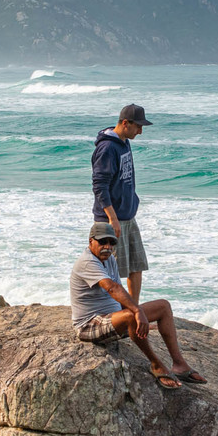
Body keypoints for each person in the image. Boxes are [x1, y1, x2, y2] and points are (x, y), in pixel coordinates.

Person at [70, 222, 207, 390]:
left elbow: (119, 295)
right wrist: (136, 311)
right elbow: (113, 288)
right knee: (131, 316)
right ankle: (156, 364)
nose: (108, 246)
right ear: (91, 241)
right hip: (90, 324)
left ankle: (179, 364)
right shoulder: (87, 262)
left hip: (112, 318)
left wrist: (136, 315)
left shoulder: (109, 258)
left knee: (163, 306)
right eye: (102, 241)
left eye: (112, 243)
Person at [91, 103, 151, 304]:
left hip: (127, 215)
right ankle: (116, 311)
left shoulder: (124, 142)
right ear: (125, 123)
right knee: (112, 271)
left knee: (136, 265)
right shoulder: (107, 148)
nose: (141, 131)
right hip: (112, 219)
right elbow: (99, 186)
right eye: (138, 126)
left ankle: (133, 310)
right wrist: (112, 218)